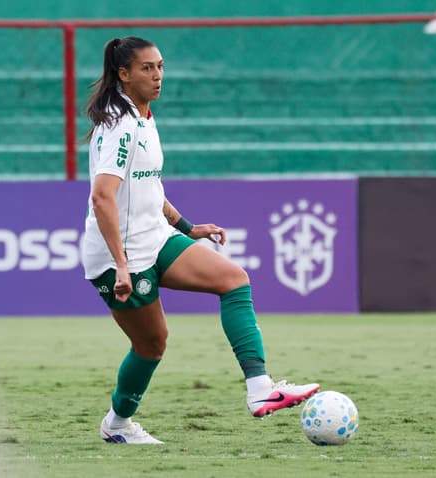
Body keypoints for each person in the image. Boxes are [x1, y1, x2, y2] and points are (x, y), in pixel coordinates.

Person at [82, 36, 319, 444]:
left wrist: (187, 226)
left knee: (233, 279)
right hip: (119, 255)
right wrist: (120, 264)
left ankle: (260, 388)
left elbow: (148, 187)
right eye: (146, 68)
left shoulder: (143, 117)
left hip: (154, 238)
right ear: (123, 74)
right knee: (151, 344)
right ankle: (117, 425)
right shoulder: (119, 125)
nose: (157, 76)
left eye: (160, 66)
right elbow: (102, 197)